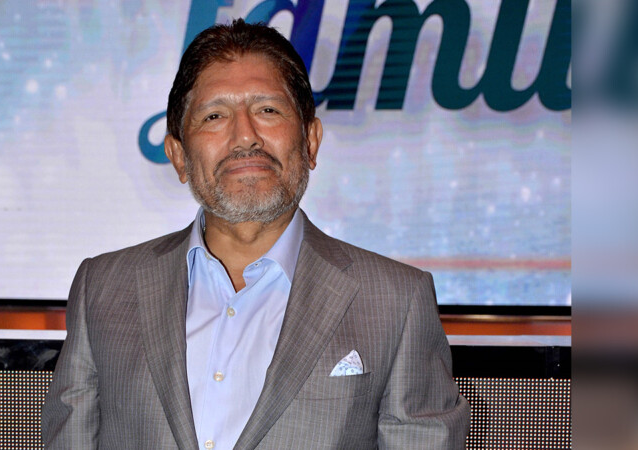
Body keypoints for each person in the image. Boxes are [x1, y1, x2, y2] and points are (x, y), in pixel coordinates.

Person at [42, 19, 469, 449]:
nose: (245, 136)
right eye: (214, 115)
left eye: (268, 110)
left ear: (311, 141)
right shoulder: (103, 288)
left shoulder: (396, 301)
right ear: (179, 156)